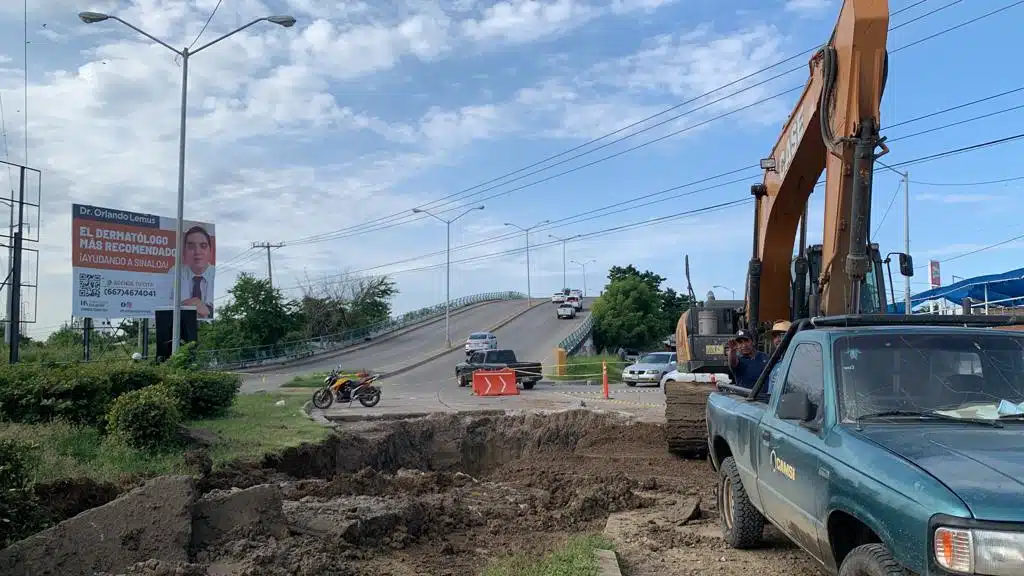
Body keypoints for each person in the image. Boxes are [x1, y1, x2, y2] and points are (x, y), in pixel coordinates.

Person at [176, 225, 216, 320]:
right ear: (184, 251)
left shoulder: (215, 273)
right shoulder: (176, 272)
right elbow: (168, 303)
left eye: (203, 246)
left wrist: (208, 310)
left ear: (210, 251)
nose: (197, 252)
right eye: (191, 246)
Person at [766, 320, 791, 394]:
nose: (777, 339)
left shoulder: (796, 361)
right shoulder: (776, 362)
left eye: (782, 335)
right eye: (775, 336)